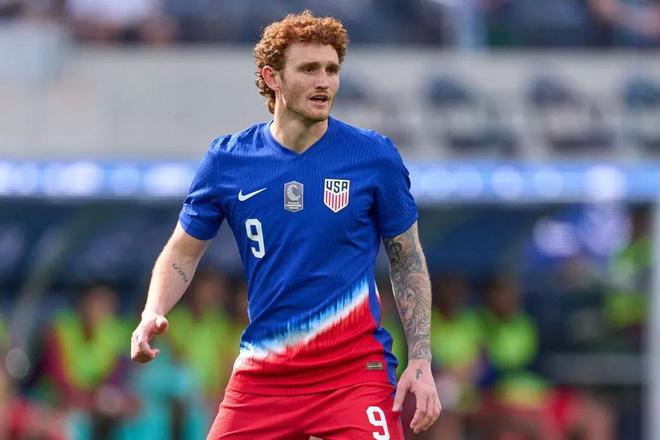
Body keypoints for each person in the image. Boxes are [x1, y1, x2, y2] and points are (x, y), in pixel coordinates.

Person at [130, 10, 440, 439]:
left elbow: (407, 259)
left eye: (332, 70)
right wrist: (153, 310)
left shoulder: (373, 157)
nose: (324, 82)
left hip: (354, 376)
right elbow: (183, 252)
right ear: (271, 77)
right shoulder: (228, 160)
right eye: (309, 69)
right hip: (264, 376)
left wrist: (420, 359)